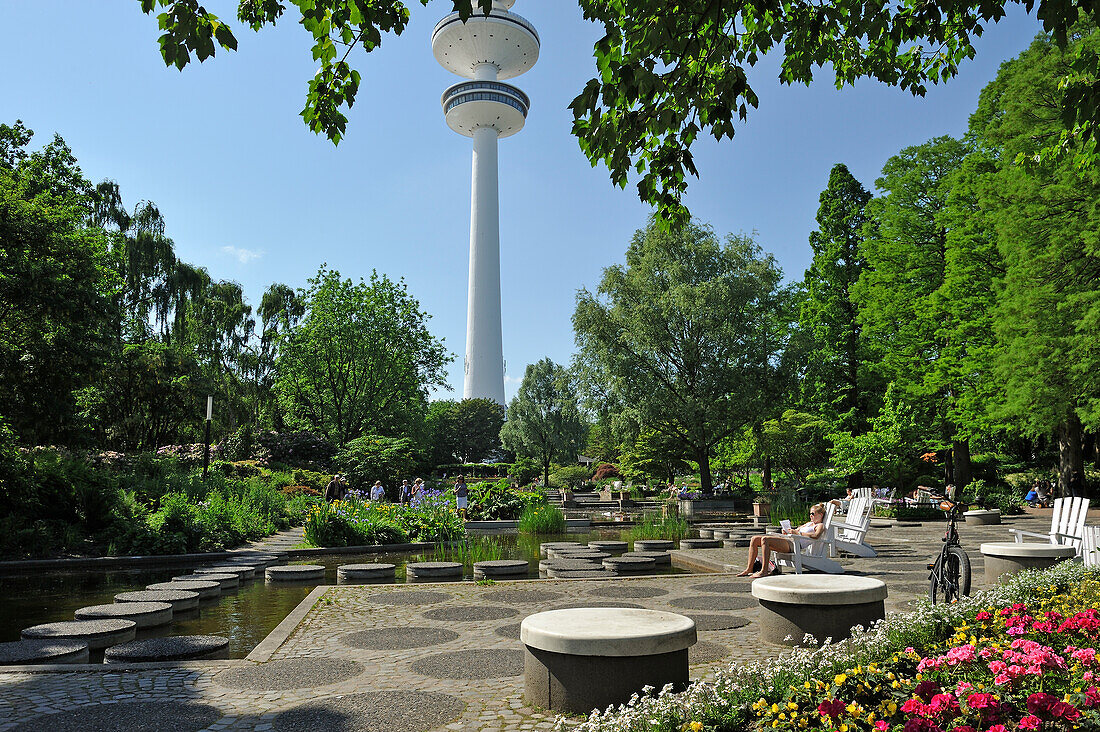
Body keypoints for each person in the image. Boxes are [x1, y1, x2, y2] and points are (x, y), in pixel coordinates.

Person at [737, 503, 827, 578]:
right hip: (788, 539)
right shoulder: (808, 524)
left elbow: (816, 536)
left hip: (794, 544)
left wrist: (798, 533)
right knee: (754, 539)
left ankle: (764, 571)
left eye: (813, 514)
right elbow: (795, 531)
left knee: (765, 539)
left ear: (820, 515)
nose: (811, 516)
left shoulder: (819, 525)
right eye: (810, 514)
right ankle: (749, 568)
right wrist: (788, 531)